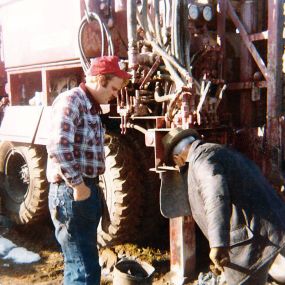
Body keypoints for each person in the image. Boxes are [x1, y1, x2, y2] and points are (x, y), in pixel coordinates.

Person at [162, 127, 285, 285]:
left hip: (254, 241)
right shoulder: (222, 152)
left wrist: (217, 243)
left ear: (177, 158)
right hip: (275, 227)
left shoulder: (201, 160)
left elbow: (215, 195)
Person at [46, 56, 131, 285]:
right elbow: (58, 146)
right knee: (84, 270)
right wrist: (78, 185)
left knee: (82, 263)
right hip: (71, 193)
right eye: (113, 88)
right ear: (100, 79)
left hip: (83, 190)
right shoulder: (71, 101)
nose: (115, 94)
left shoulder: (90, 107)